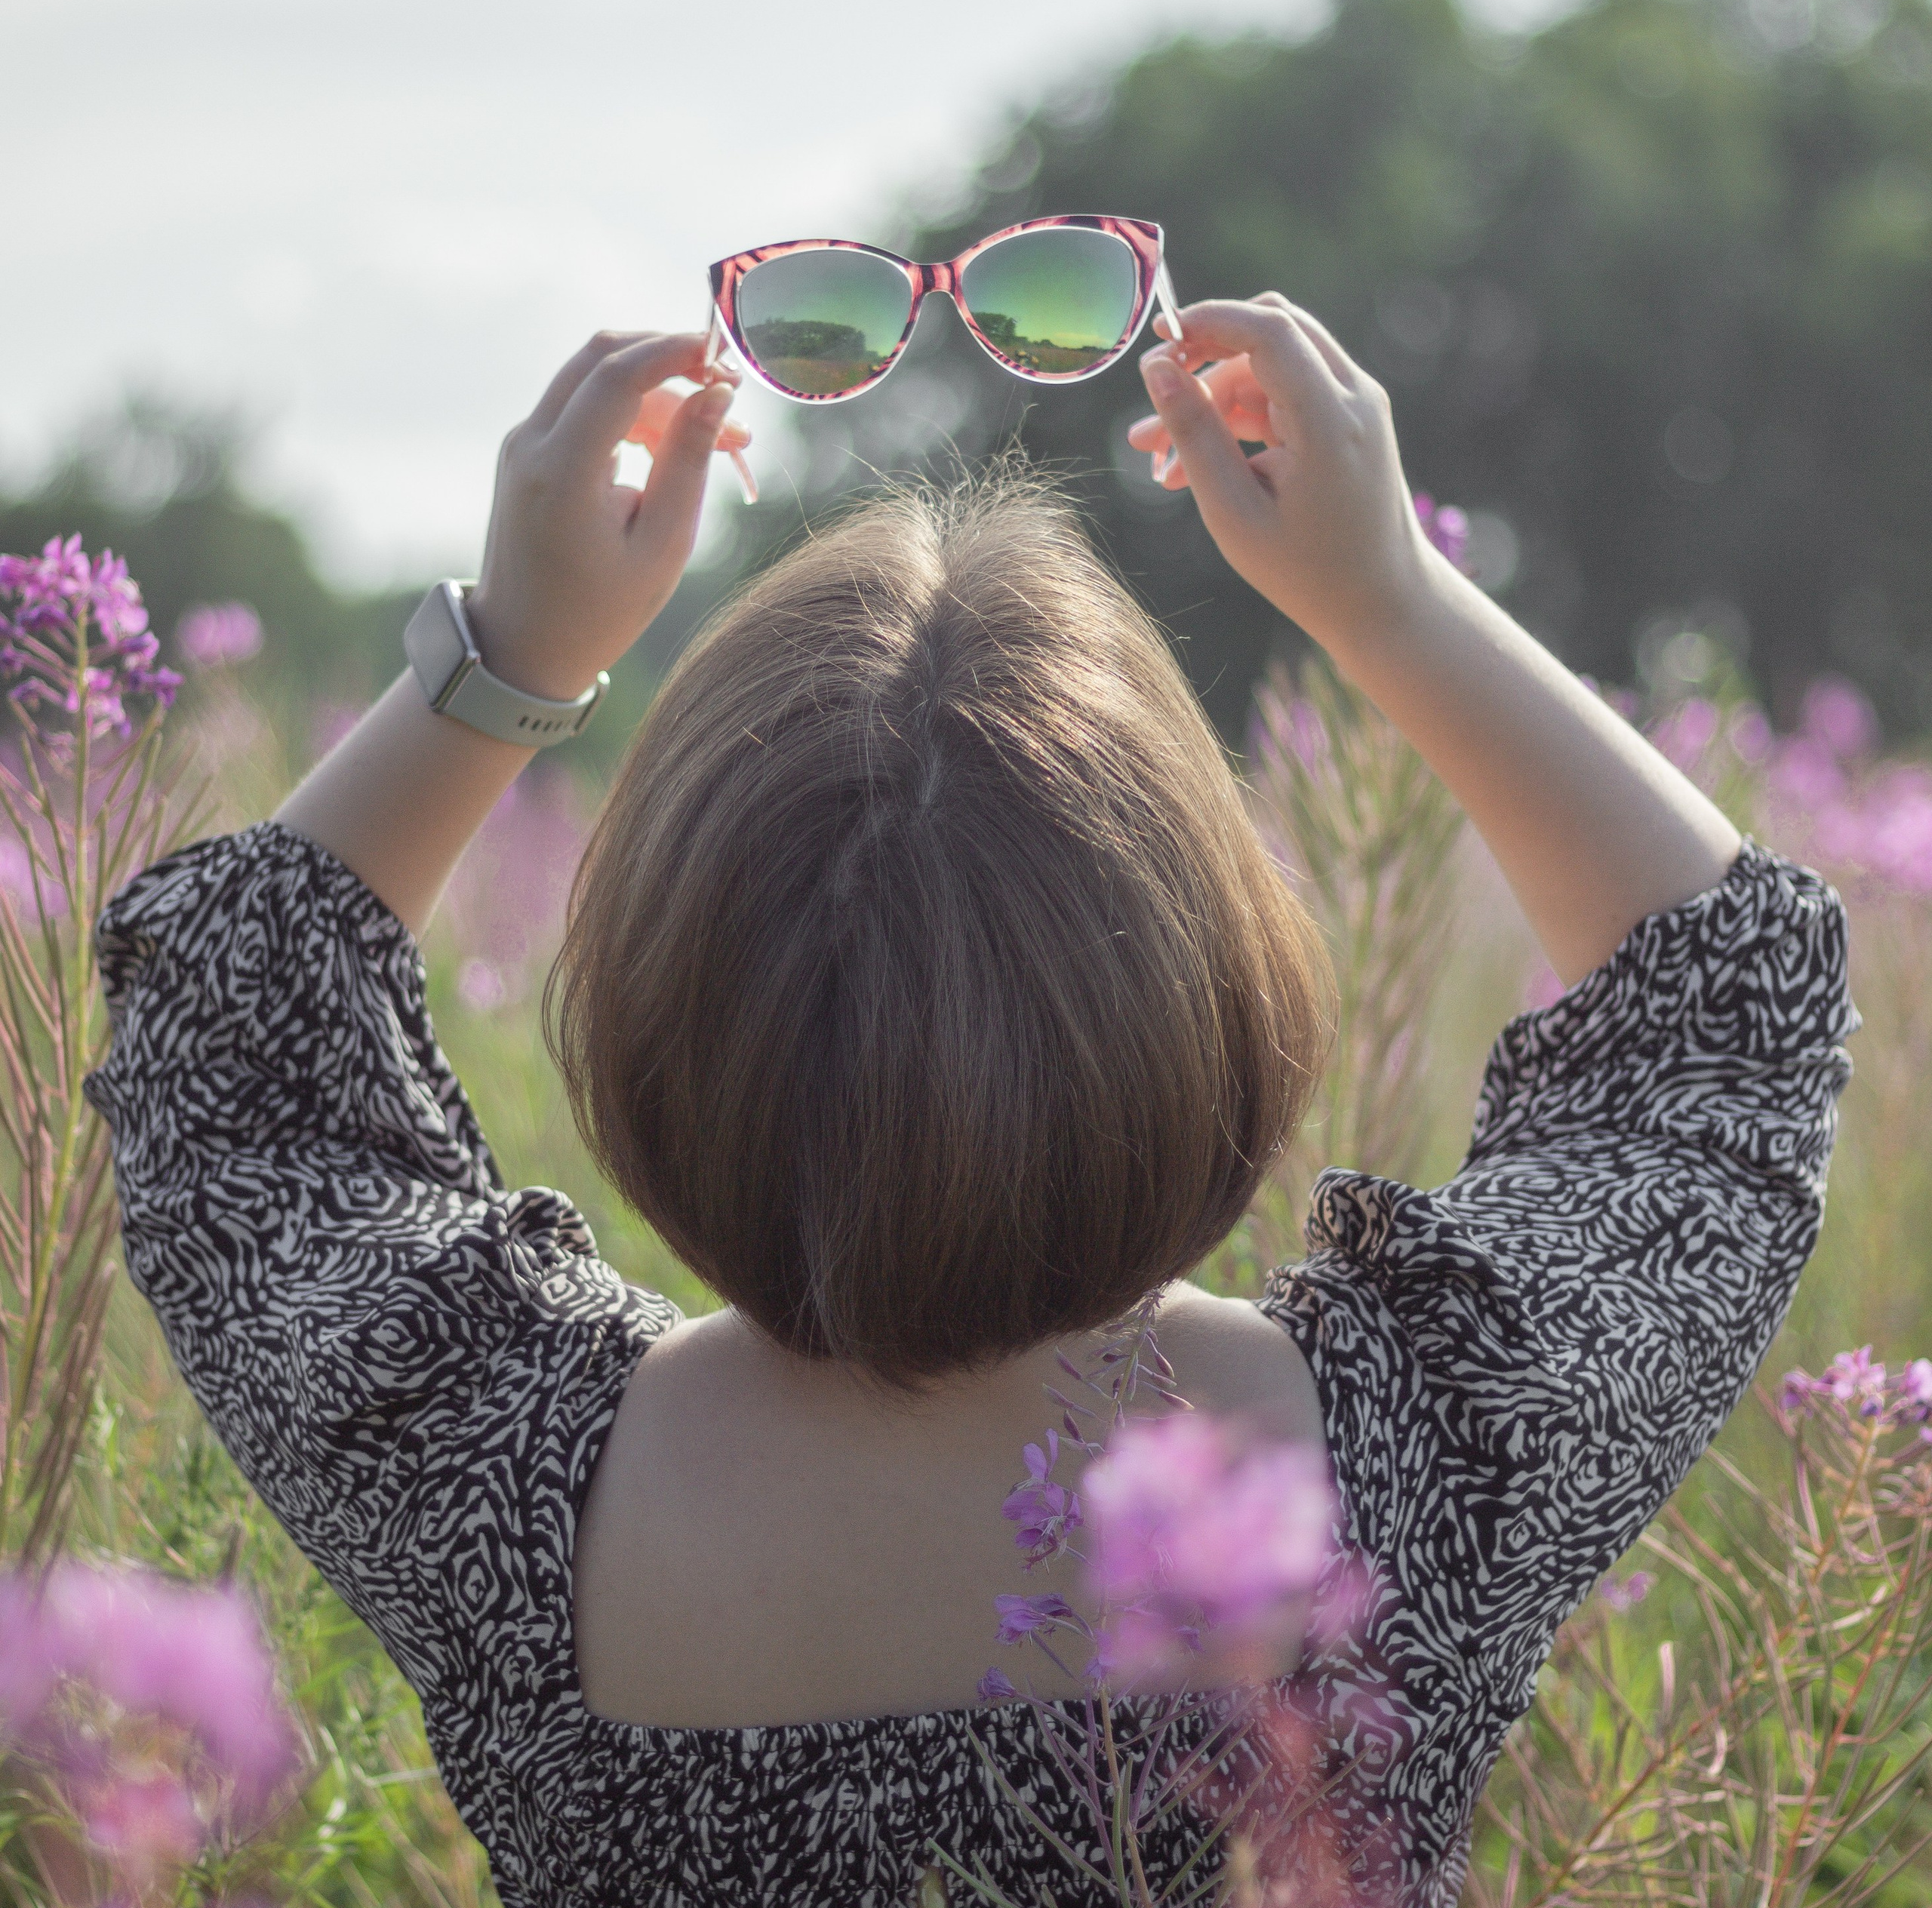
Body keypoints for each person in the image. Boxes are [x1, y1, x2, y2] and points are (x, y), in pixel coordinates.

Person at [85, 298, 1854, 1907]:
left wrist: (509, 659)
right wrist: (1381, 594)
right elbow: (1723, 1007)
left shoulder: (494, 1471)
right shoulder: (1414, 1457)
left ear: (637, 1024)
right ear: (1215, 997)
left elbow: (224, 1059)